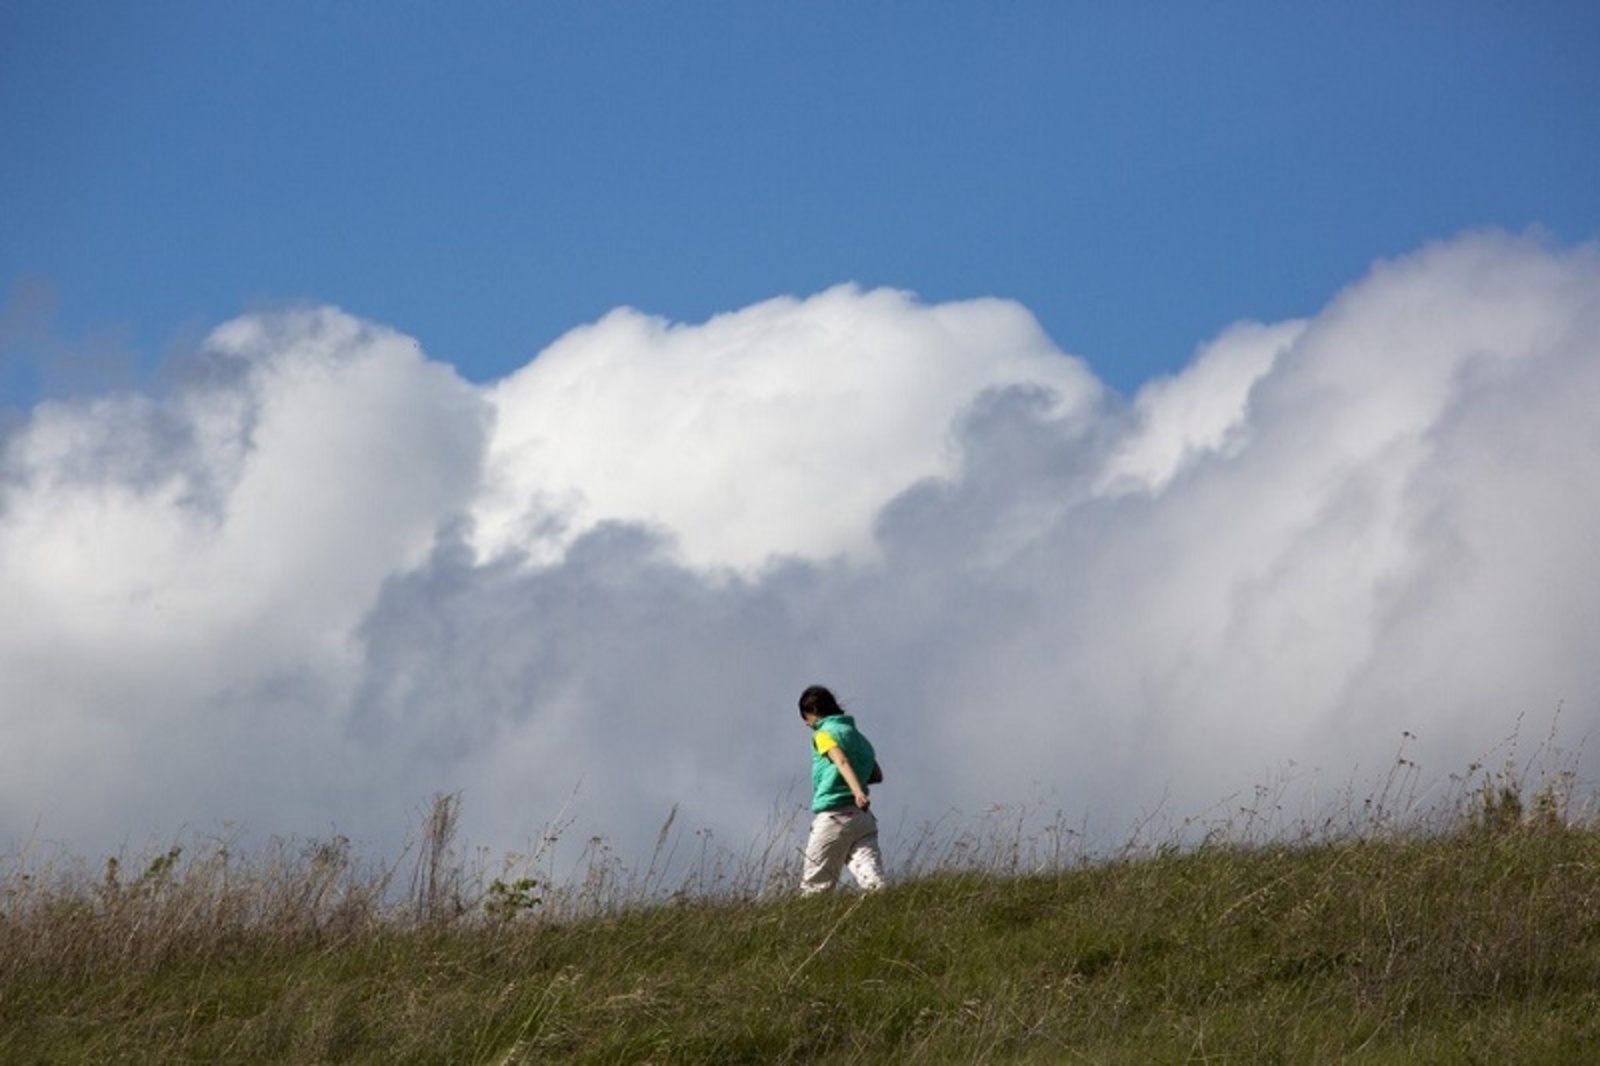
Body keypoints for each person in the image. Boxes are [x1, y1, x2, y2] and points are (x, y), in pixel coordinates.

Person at [797, 684, 886, 894]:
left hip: (835, 817)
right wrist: (857, 786)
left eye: (805, 717)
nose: (805, 724)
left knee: (815, 888)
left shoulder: (823, 735)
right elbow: (877, 775)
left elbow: (841, 760)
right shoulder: (859, 738)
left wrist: (857, 792)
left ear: (813, 713)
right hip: (863, 820)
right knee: (872, 880)